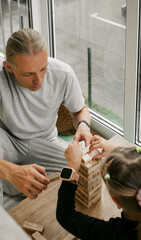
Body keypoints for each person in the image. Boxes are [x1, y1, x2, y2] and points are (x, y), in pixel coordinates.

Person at [0, 28, 92, 204]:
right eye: (28, 74)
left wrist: (83, 125)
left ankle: (10, 183)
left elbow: (80, 110)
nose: (39, 80)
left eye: (43, 69)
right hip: (7, 140)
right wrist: (12, 172)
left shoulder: (63, 73)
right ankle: (10, 179)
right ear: (9, 67)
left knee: (80, 175)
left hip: (45, 142)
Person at [56, 135, 141, 240]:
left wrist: (71, 167)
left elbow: (66, 215)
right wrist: (118, 152)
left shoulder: (112, 234)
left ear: (116, 201)